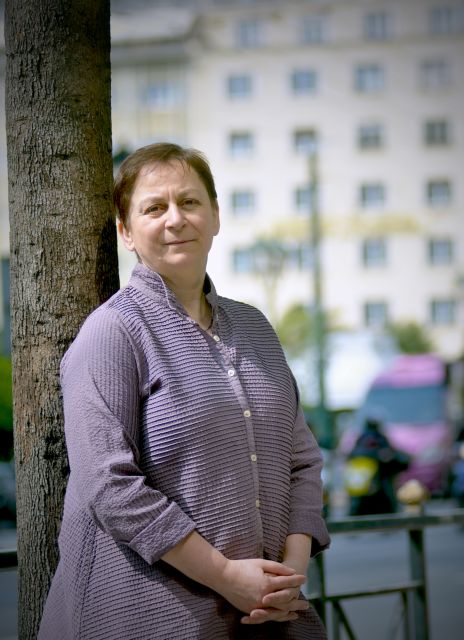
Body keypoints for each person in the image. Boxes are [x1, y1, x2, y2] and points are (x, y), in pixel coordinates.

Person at [39, 142, 330, 639]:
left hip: (268, 618)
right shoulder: (113, 332)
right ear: (126, 232)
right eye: (154, 208)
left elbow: (301, 459)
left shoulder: (255, 327)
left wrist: (287, 577)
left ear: (215, 216)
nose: (175, 219)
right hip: (145, 621)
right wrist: (227, 577)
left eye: (189, 202)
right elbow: (108, 485)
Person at [346, 417, 409, 516]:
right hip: (380, 497)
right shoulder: (379, 440)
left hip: (363, 499)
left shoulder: (361, 441)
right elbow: (400, 459)